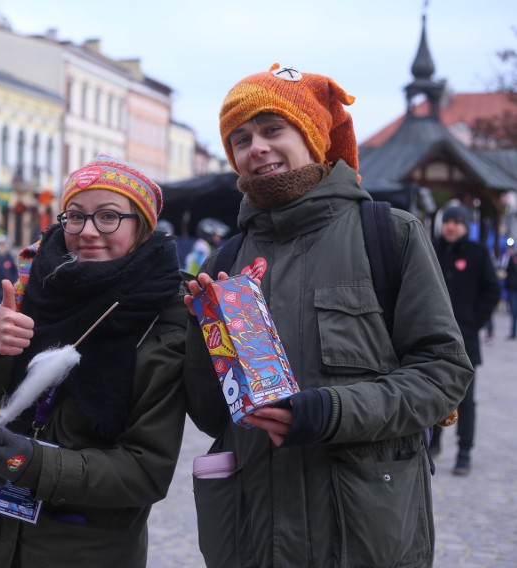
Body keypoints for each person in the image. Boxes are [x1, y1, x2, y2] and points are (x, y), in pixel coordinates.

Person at [183, 63, 473, 568]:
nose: (257, 148)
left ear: (313, 135)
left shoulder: (389, 234)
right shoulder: (224, 263)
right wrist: (204, 330)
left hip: (362, 529)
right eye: (241, 138)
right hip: (254, 531)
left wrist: (328, 411)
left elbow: (443, 373)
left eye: (274, 129)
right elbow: (212, 416)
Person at [0, 154, 188, 567]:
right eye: (76, 216)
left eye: (109, 217)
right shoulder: (38, 285)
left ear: (142, 228)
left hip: (83, 547)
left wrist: (31, 463)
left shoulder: (163, 319)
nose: (88, 232)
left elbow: (146, 470)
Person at [430, 204, 501, 475]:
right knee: (432, 394)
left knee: (465, 399)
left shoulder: (478, 252)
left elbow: (492, 290)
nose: (451, 226)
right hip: (431, 338)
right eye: (448, 221)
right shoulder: (432, 248)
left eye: (458, 222)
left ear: (465, 226)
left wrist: (473, 322)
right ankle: (433, 442)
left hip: (465, 339)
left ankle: (464, 452)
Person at [506, 244, 517, 339]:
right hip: (513, 289)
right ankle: (513, 332)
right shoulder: (511, 258)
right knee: (514, 312)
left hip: (513, 288)